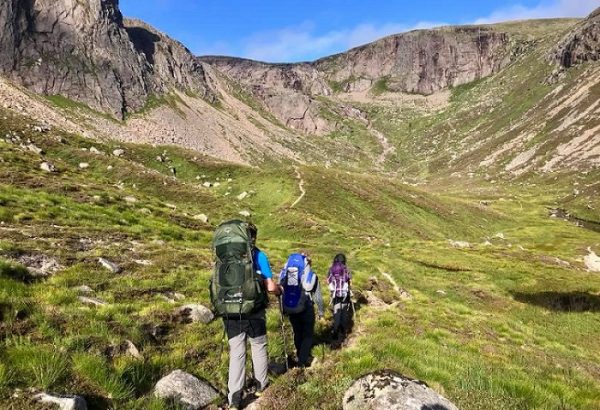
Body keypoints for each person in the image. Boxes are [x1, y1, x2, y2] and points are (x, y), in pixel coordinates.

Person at [222, 222, 281, 410]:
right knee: (258, 346)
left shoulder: (224, 257)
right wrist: (279, 290)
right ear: (253, 237)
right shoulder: (258, 255)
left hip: (230, 311)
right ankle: (260, 386)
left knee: (237, 352)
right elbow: (270, 287)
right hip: (254, 311)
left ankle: (235, 398)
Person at [279, 252, 324, 368]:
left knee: (297, 332)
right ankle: (302, 361)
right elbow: (318, 297)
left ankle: (300, 354)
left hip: (291, 307)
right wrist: (321, 312)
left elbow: (281, 291)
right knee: (308, 334)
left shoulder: (289, 273)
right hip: (306, 307)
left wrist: (282, 309)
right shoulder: (311, 275)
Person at [327, 253, 352, 341]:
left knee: (337, 312)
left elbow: (328, 281)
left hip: (335, 295)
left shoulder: (331, 269)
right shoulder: (347, 269)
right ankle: (343, 331)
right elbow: (350, 282)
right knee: (344, 312)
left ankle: (335, 331)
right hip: (345, 295)